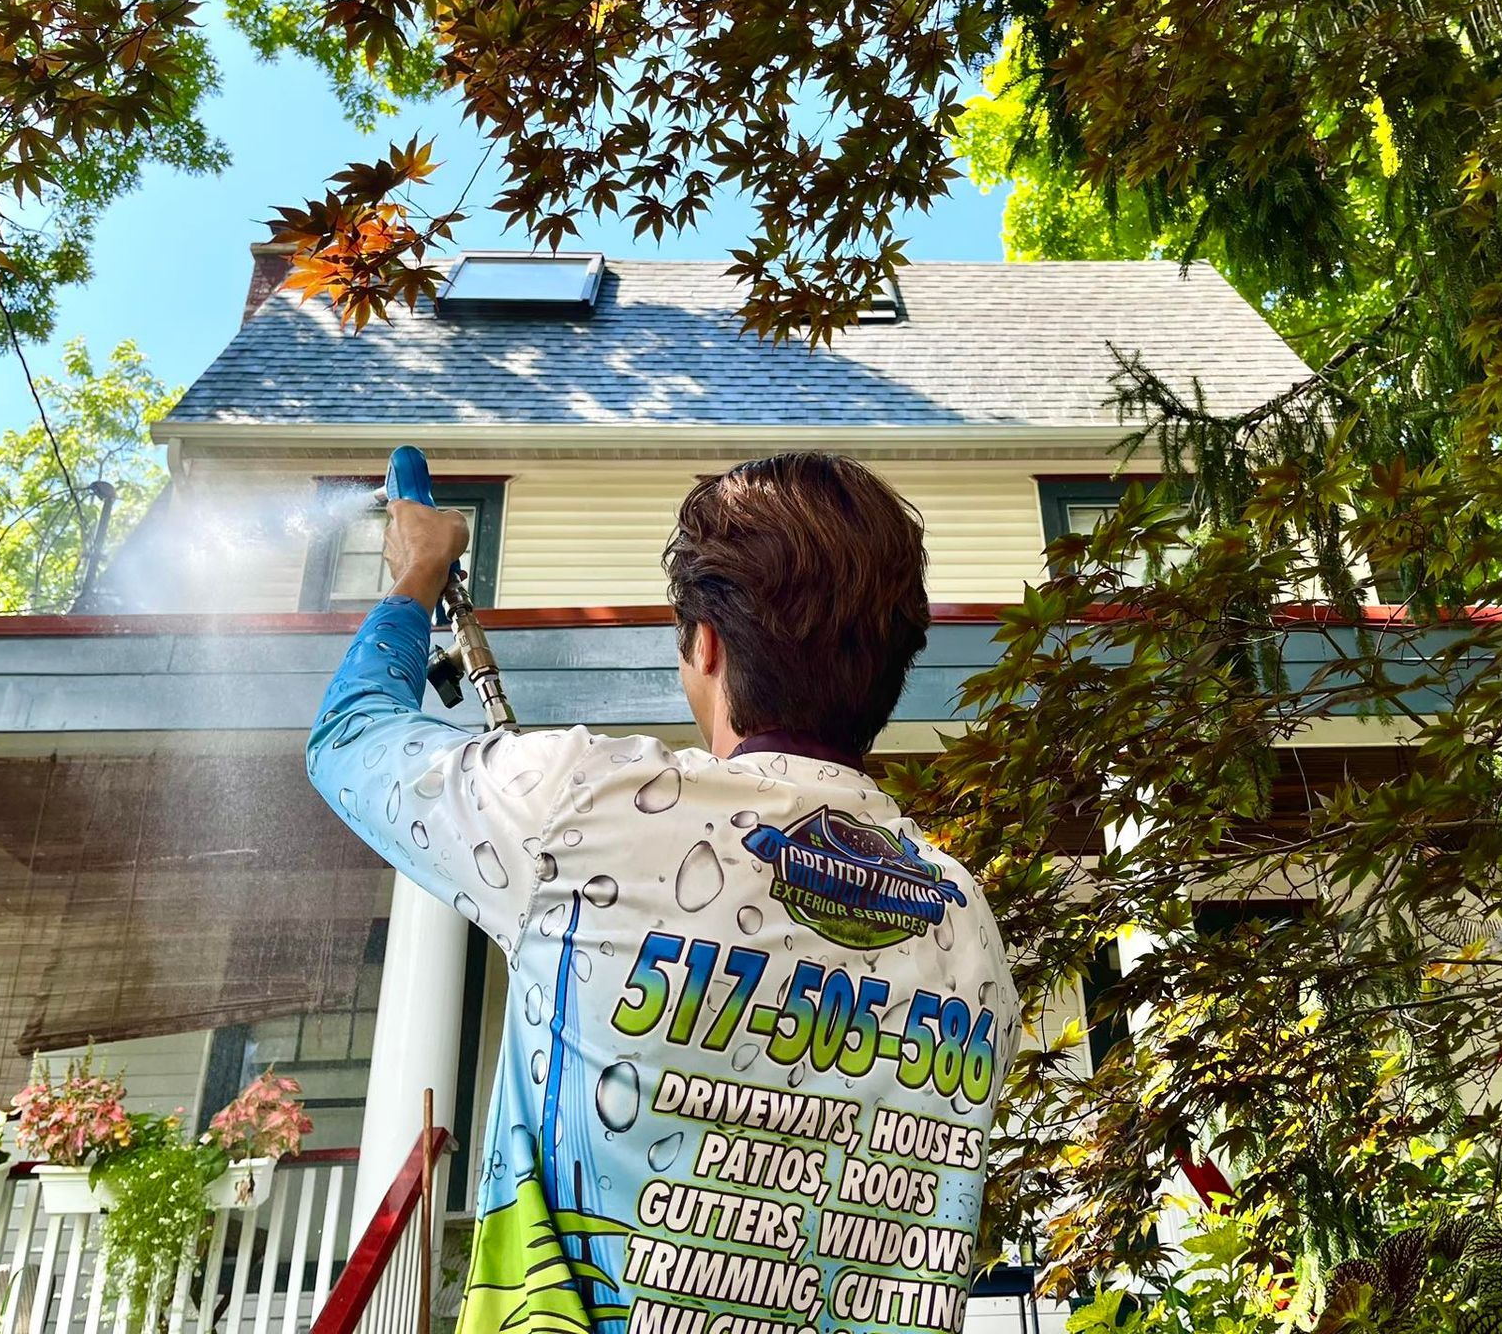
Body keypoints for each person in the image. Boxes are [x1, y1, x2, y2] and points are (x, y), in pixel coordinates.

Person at [308, 452, 1019, 1334]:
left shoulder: (581, 804)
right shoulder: (966, 921)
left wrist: (418, 572)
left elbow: (352, 737)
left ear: (708, 644)